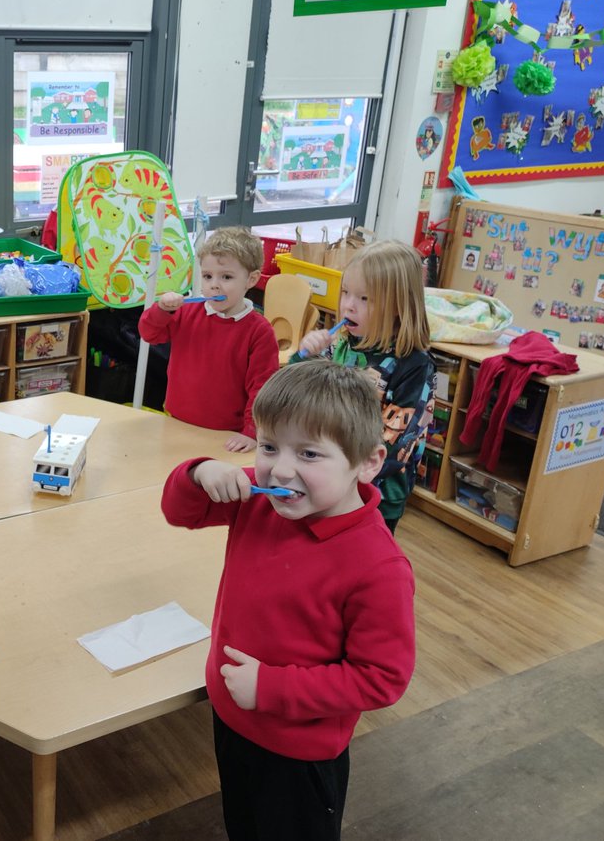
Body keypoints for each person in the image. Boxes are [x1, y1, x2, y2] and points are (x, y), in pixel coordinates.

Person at [160, 360, 416, 841]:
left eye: (310, 454)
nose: (280, 468)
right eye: (269, 445)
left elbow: (383, 679)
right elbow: (181, 513)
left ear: (368, 462)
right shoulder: (264, 498)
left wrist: (272, 690)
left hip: (299, 752)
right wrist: (197, 473)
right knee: (244, 825)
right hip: (232, 717)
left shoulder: (378, 567)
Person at [291, 240, 434, 532]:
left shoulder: (415, 366)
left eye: (365, 298)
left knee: (361, 562)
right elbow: (297, 395)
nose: (348, 305)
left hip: (376, 493)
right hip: (330, 479)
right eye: (346, 293)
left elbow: (395, 441)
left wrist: (344, 472)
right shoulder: (342, 343)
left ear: (398, 306)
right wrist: (303, 357)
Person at [138, 226, 279, 451]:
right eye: (207, 276)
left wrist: (252, 433)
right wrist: (162, 309)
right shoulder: (185, 313)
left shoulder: (259, 331)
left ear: (251, 279)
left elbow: (262, 389)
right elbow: (149, 333)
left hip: (225, 437)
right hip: (175, 422)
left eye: (226, 277)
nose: (214, 285)